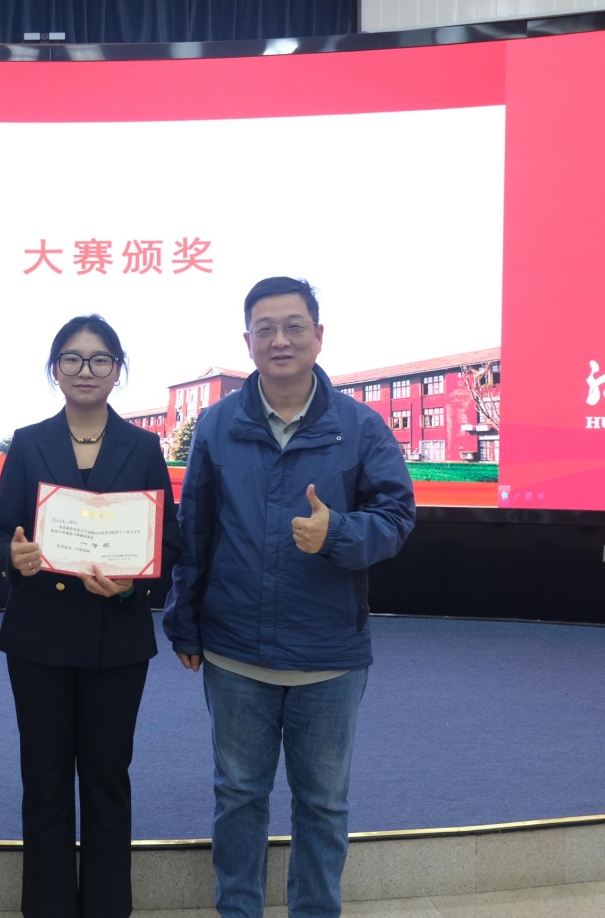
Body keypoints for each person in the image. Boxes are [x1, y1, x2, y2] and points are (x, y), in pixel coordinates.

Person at [163, 277, 415, 918]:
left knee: (323, 805)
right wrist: (184, 623)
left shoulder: (360, 427)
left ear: (318, 335)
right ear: (247, 340)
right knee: (238, 797)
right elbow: (195, 533)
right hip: (234, 653)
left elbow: (397, 518)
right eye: (265, 328)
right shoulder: (217, 425)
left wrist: (339, 534)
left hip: (329, 656)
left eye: (294, 326)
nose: (280, 340)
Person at [0, 315, 180, 918]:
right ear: (55, 369)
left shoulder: (143, 447)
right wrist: (14, 557)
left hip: (116, 640)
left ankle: (106, 907)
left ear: (118, 370)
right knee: (44, 780)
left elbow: (167, 542)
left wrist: (132, 584)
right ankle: (47, 908)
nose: (85, 370)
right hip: (38, 638)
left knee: (107, 779)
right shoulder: (27, 442)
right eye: (71, 358)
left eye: (100, 359)